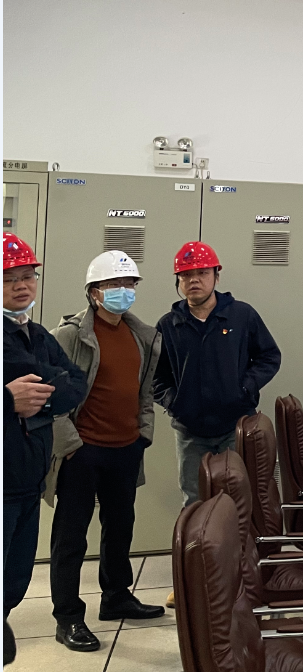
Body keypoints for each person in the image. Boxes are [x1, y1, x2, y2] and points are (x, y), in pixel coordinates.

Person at [46, 252, 165, 652]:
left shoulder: (142, 335)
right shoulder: (69, 336)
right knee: (71, 537)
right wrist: (71, 446)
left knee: (120, 528)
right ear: (94, 291)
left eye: (130, 284)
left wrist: (142, 434)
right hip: (83, 451)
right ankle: (68, 617)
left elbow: (144, 391)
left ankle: (116, 597)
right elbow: (52, 397)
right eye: (114, 285)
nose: (124, 291)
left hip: (125, 449)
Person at [152, 241, 281, 608]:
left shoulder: (241, 316)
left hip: (234, 427)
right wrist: (174, 402)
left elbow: (269, 356)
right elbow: (156, 378)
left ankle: (243, 577)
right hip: (190, 432)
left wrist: (246, 387)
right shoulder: (169, 324)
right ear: (178, 281)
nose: (194, 280)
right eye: (186, 275)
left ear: (216, 276)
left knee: (238, 504)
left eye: (202, 273)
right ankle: (192, 581)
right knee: (194, 504)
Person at [3, 234, 86, 663]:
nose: (21, 285)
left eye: (27, 276)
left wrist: (36, 397)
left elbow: (75, 383)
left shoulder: (35, 334)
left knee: (14, 580)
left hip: (28, 480)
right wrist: (7, 400)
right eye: (9, 278)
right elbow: (48, 381)